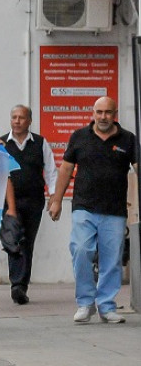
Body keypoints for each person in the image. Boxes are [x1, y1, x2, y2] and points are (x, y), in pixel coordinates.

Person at [49, 97, 136, 324]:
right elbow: (66, 169)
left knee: (112, 258)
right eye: (99, 112)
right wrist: (57, 200)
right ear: (93, 113)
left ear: (115, 113)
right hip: (84, 207)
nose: (103, 117)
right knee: (80, 250)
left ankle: (106, 306)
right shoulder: (79, 137)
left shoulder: (128, 139)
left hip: (114, 210)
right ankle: (85, 302)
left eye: (108, 112)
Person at [2, 104, 56, 305]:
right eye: (14, 117)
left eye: (21, 117)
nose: (17, 121)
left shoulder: (40, 143)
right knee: (13, 239)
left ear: (29, 121)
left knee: (27, 242)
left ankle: (21, 285)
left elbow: (51, 171)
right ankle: (16, 285)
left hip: (34, 200)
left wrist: (53, 196)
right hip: (9, 201)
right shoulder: (1, 143)